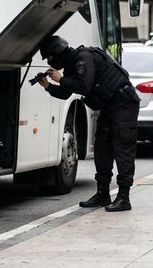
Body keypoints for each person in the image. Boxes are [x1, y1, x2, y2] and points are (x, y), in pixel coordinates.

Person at [36, 36, 139, 212]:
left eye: (50, 57)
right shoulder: (71, 65)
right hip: (108, 107)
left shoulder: (84, 57)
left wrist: (60, 79)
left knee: (122, 149)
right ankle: (102, 194)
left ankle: (124, 197)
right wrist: (48, 86)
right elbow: (66, 93)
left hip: (123, 103)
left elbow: (83, 87)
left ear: (58, 52)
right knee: (102, 148)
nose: (49, 61)